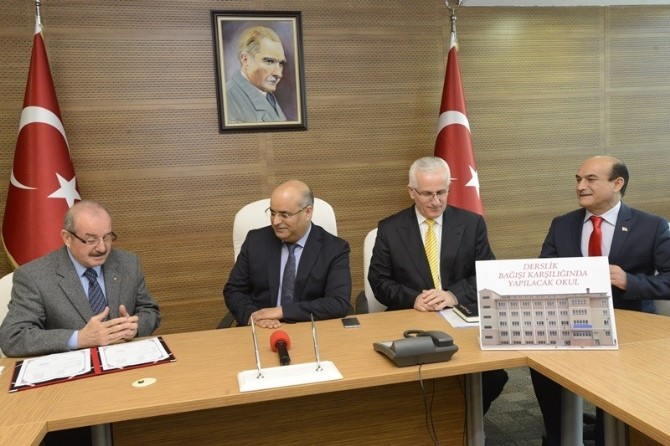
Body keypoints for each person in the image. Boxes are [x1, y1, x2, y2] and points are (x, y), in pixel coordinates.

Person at [530, 155, 670, 446]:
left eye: (590, 179)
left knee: (616, 404)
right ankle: (560, 435)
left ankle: (610, 436)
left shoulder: (652, 226)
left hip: (629, 329)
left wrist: (630, 281)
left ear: (617, 183)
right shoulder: (562, 224)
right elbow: (545, 273)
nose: (580, 186)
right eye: (578, 179)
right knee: (540, 364)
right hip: (570, 325)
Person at [368, 156, 508, 414]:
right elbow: (378, 281)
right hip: (410, 320)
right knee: (404, 383)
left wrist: (453, 295)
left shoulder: (471, 224)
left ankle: (465, 424)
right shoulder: (390, 228)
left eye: (442, 192)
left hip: (460, 316)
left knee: (493, 377)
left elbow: (488, 274)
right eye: (427, 194)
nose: (436, 201)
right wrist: (413, 299)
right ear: (412, 192)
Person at [0, 200, 161, 358]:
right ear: (67, 238)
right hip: (69, 368)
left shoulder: (128, 263)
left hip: (123, 360)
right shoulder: (33, 276)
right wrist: (78, 339)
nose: (102, 248)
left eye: (107, 237)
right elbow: (13, 338)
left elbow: (150, 311)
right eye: (90, 240)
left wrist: (135, 326)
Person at [223, 180, 351, 328]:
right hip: (261, 329)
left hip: (309, 328)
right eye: (272, 213)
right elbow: (234, 290)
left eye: (285, 214)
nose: (276, 221)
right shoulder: (255, 241)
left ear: (307, 212)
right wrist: (254, 316)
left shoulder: (335, 248)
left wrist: (281, 312)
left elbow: (338, 302)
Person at [225, 25, 288, 123]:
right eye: (269, 61)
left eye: (281, 63)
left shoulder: (267, 95)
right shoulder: (227, 99)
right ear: (245, 60)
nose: (279, 74)